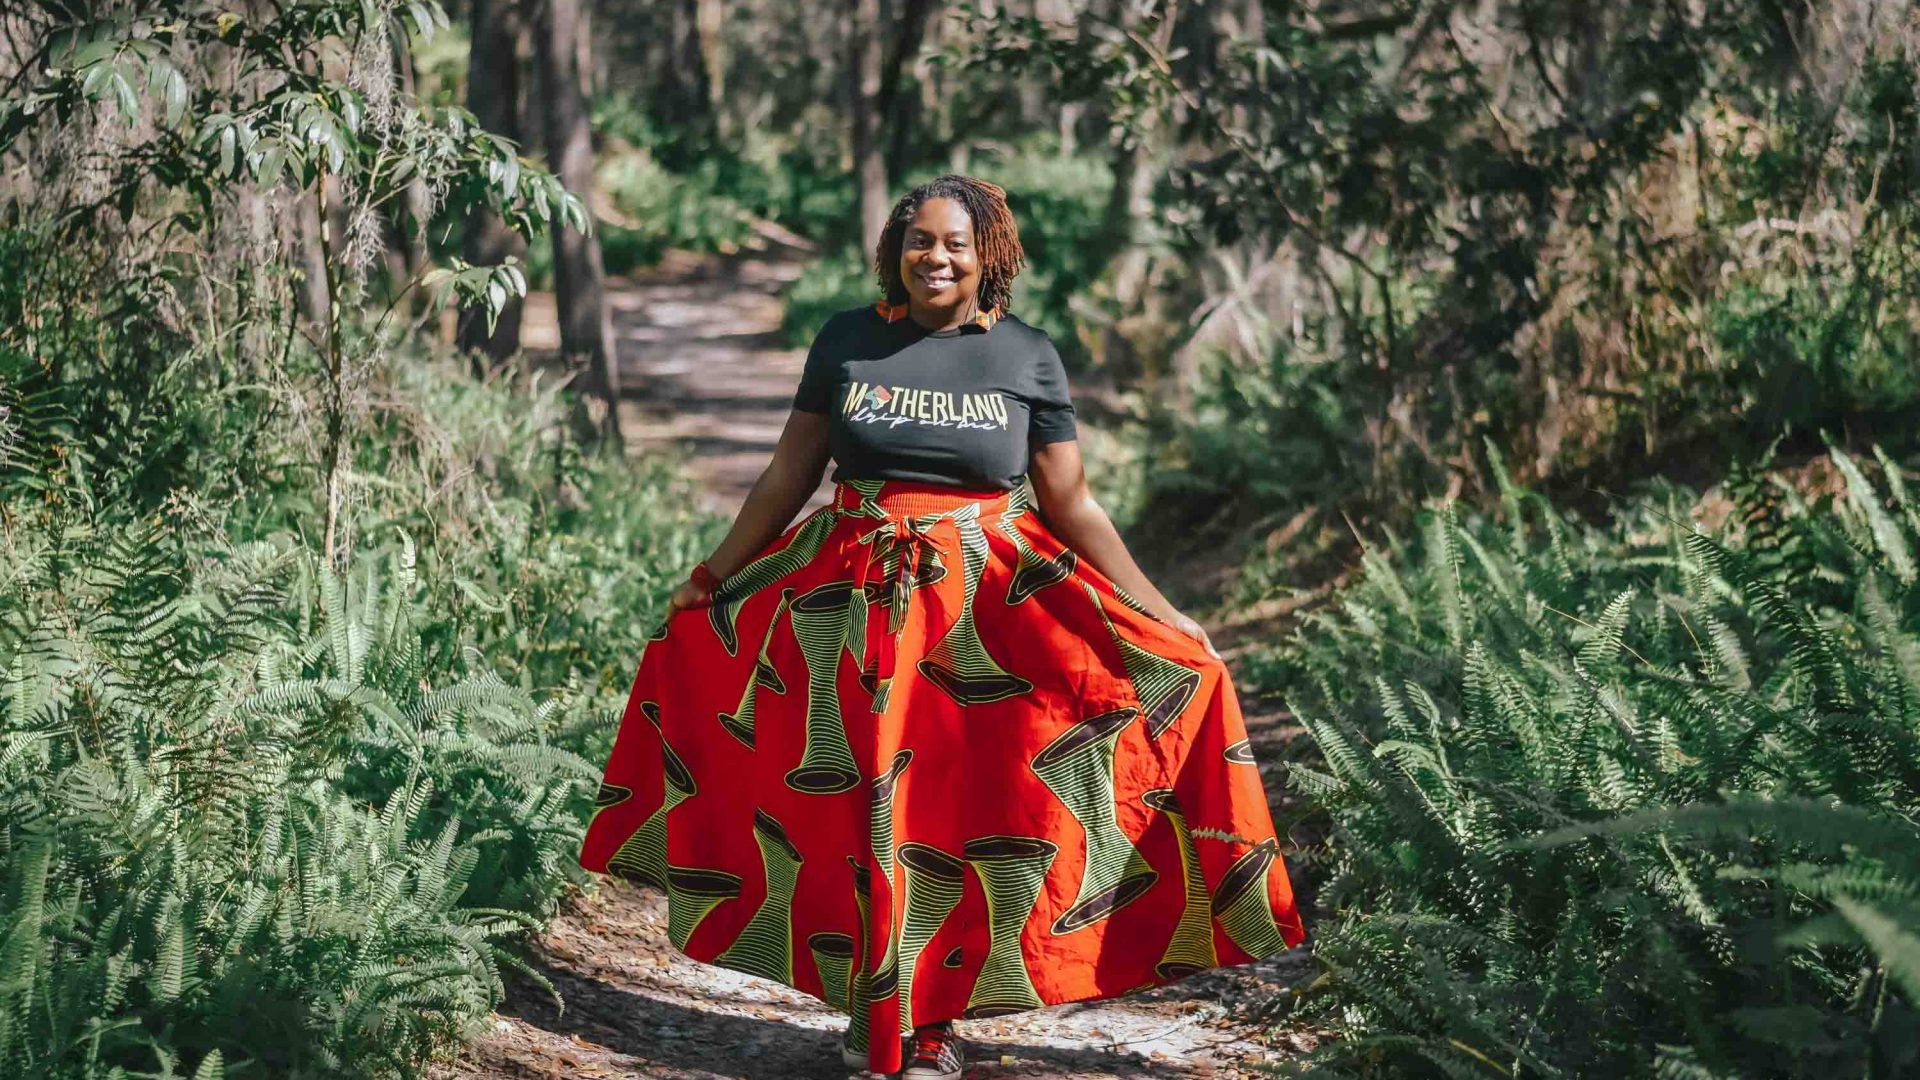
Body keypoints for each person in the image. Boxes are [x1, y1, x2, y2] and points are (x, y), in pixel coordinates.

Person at [579, 174, 1305, 1078]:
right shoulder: (849, 340)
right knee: (857, 814)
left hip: (984, 623)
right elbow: (786, 479)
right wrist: (710, 578)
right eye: (920, 240)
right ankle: (872, 1003)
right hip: (849, 608)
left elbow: (1070, 501)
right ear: (897, 249)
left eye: (956, 243)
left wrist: (1161, 612)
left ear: (987, 254)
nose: (936, 257)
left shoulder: (1028, 357)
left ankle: (929, 1018)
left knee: (959, 821)